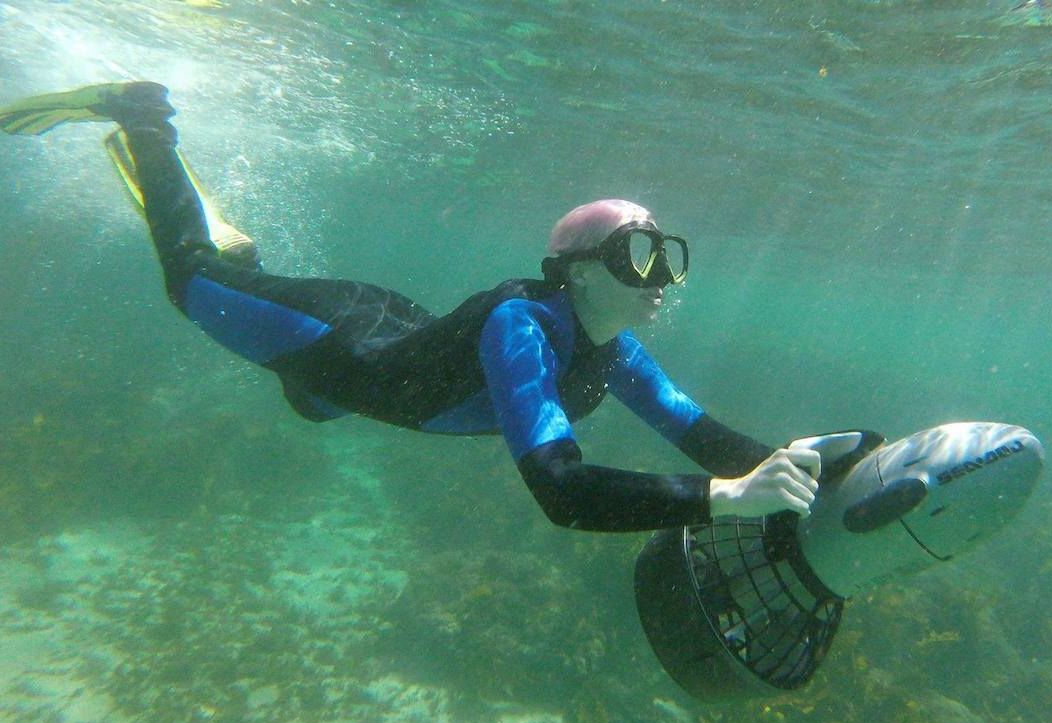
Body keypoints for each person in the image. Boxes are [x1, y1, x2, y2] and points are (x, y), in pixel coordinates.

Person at [0, 82, 867, 532]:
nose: (659, 279)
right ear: (574, 272)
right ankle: (144, 119)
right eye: (637, 256)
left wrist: (810, 465)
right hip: (332, 339)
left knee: (312, 409)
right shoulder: (523, 329)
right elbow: (564, 493)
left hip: (386, 335)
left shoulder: (612, 350)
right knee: (191, 284)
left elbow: (700, 434)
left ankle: (244, 262)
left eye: (666, 257)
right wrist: (727, 498)